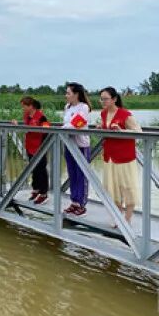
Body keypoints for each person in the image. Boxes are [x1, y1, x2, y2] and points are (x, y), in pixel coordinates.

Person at [98, 86, 141, 226]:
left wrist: (122, 131)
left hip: (124, 157)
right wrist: (102, 128)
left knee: (127, 187)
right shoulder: (103, 114)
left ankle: (127, 219)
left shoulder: (125, 114)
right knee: (111, 187)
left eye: (105, 99)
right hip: (109, 156)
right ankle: (118, 216)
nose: (103, 102)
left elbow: (138, 132)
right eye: (101, 99)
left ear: (114, 99)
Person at [12, 96, 50, 205]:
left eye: (24, 106)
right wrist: (17, 125)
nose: (23, 108)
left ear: (31, 106)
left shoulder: (41, 117)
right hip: (30, 147)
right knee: (34, 169)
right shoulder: (27, 116)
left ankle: (44, 194)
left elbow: (47, 129)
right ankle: (36, 190)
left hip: (40, 147)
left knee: (41, 170)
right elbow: (26, 127)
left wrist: (43, 143)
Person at [62, 82, 92, 216]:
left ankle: (81, 204)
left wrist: (64, 128)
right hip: (69, 145)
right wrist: (66, 127)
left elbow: (77, 124)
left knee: (81, 175)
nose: (66, 95)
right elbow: (67, 124)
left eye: (68, 93)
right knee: (72, 174)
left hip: (81, 145)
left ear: (76, 94)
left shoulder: (84, 107)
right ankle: (74, 202)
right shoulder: (67, 107)